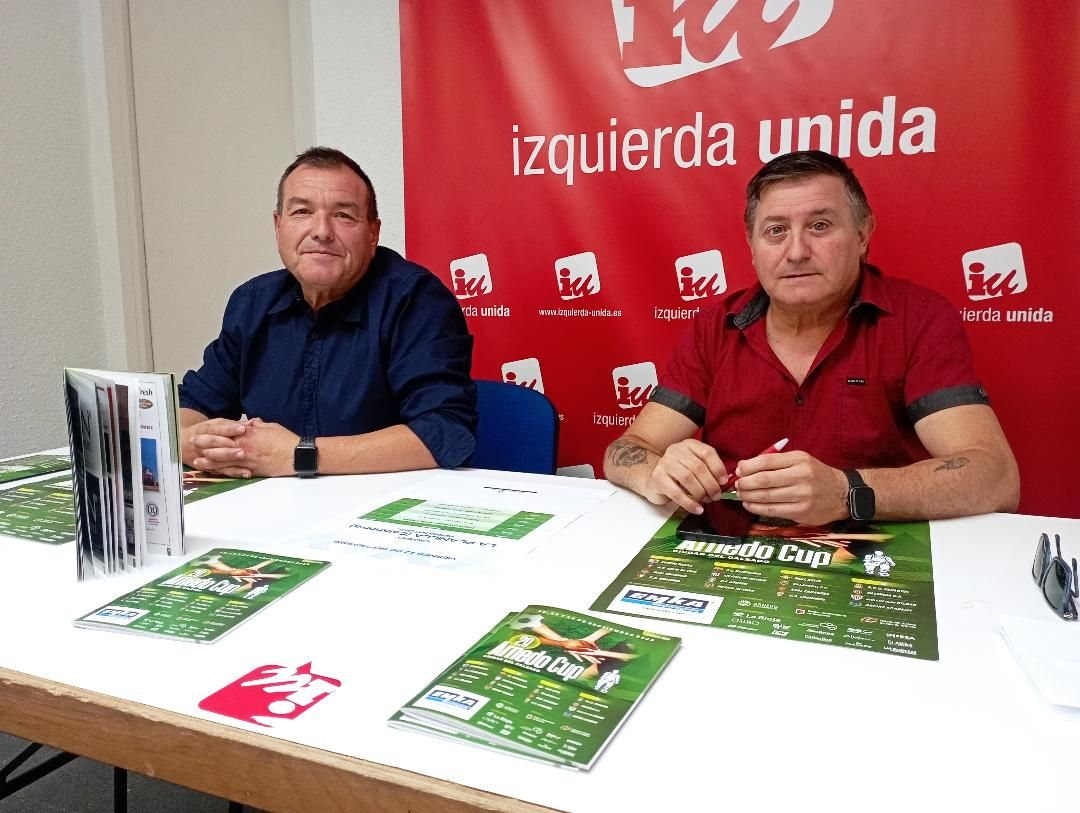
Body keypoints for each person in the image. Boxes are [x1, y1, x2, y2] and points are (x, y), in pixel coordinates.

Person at [604, 150, 1019, 523]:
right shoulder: (715, 327)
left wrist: (846, 492)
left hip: (872, 558)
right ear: (752, 245)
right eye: (776, 231)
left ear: (862, 235)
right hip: (733, 550)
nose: (797, 251)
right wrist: (654, 473)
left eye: (820, 225)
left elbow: (995, 476)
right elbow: (626, 450)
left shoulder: (917, 319)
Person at [179, 147, 477, 477]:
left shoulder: (416, 300)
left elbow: (443, 432)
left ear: (373, 233)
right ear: (278, 226)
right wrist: (193, 443)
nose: (322, 231)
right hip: (274, 510)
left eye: (343, 215)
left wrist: (298, 456)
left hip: (382, 510)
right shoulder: (252, 302)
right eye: (302, 212)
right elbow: (192, 407)